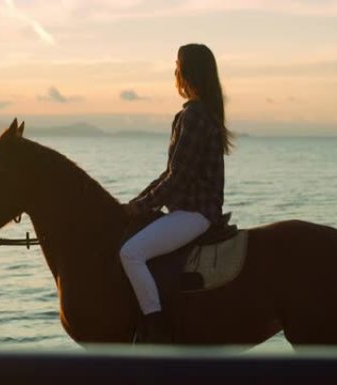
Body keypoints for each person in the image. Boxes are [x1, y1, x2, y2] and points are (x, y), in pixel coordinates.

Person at [119, 43, 234, 343]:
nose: (174, 72)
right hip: (191, 210)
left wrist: (140, 208)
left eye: (177, 66)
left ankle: (155, 326)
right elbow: (171, 173)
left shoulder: (195, 116)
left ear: (186, 73)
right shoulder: (200, 113)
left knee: (131, 253)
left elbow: (177, 178)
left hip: (195, 214)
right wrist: (136, 204)